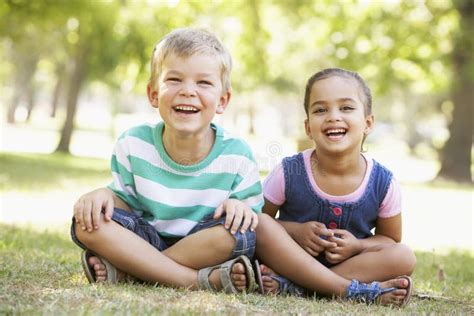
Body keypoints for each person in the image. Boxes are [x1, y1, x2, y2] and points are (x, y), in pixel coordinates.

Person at [71, 28, 263, 293]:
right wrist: (102, 194)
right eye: (174, 80)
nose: (188, 91)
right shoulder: (133, 144)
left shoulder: (237, 154)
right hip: (145, 238)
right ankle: (196, 281)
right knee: (87, 222)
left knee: (237, 234)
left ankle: (134, 271)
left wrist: (238, 206)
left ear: (222, 100)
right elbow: (124, 203)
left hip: (203, 243)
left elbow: (251, 218)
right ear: (153, 94)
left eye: (203, 83)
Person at [250, 68, 416, 305]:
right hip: (291, 260)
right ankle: (354, 291)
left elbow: (389, 239)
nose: (333, 116)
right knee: (260, 226)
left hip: (352, 266)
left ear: (368, 123)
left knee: (404, 256)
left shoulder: (383, 182)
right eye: (320, 110)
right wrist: (295, 231)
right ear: (308, 127)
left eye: (346, 108)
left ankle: (298, 287)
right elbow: (257, 220)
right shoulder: (289, 171)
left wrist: (357, 245)